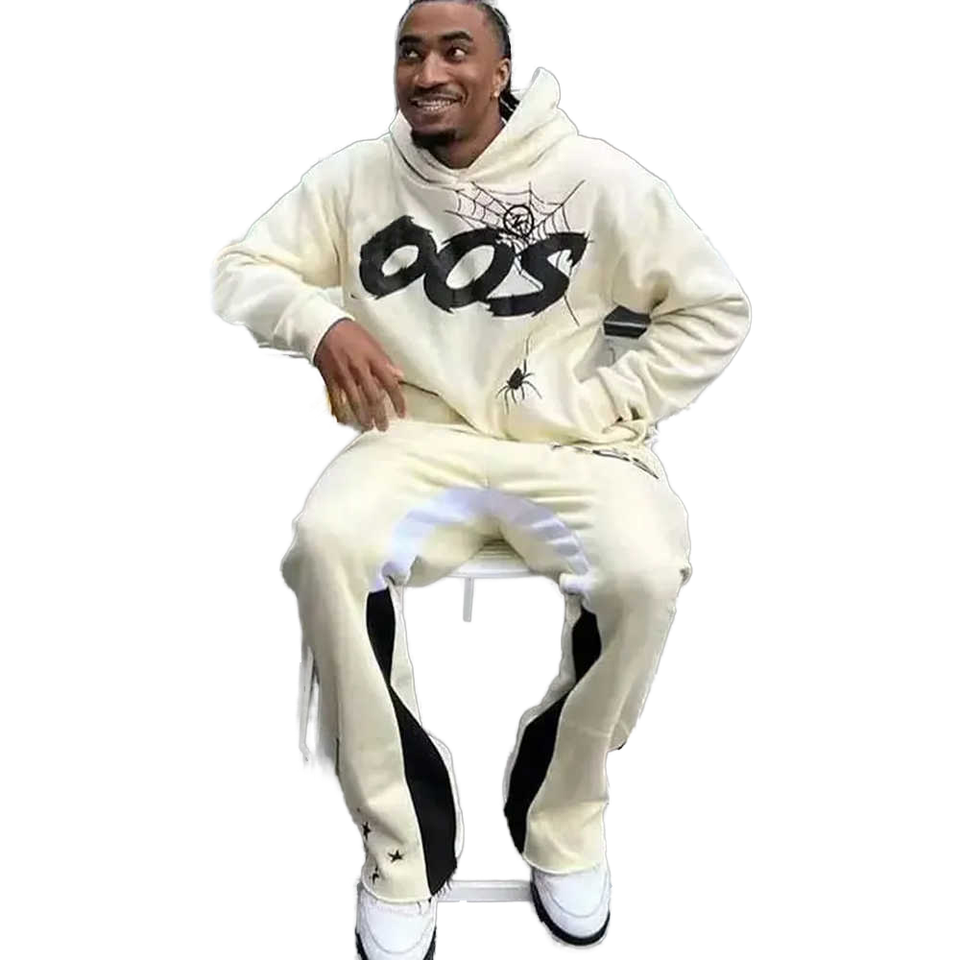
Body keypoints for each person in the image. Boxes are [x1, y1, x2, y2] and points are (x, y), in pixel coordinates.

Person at [210, 1, 751, 955]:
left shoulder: (593, 176)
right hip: (417, 440)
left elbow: (714, 308)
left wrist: (597, 403)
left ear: (502, 71)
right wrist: (322, 323)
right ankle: (402, 842)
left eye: (456, 51)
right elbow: (242, 267)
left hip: (571, 450)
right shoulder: (358, 176)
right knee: (327, 546)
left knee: (643, 573)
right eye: (409, 52)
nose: (428, 73)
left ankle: (563, 814)